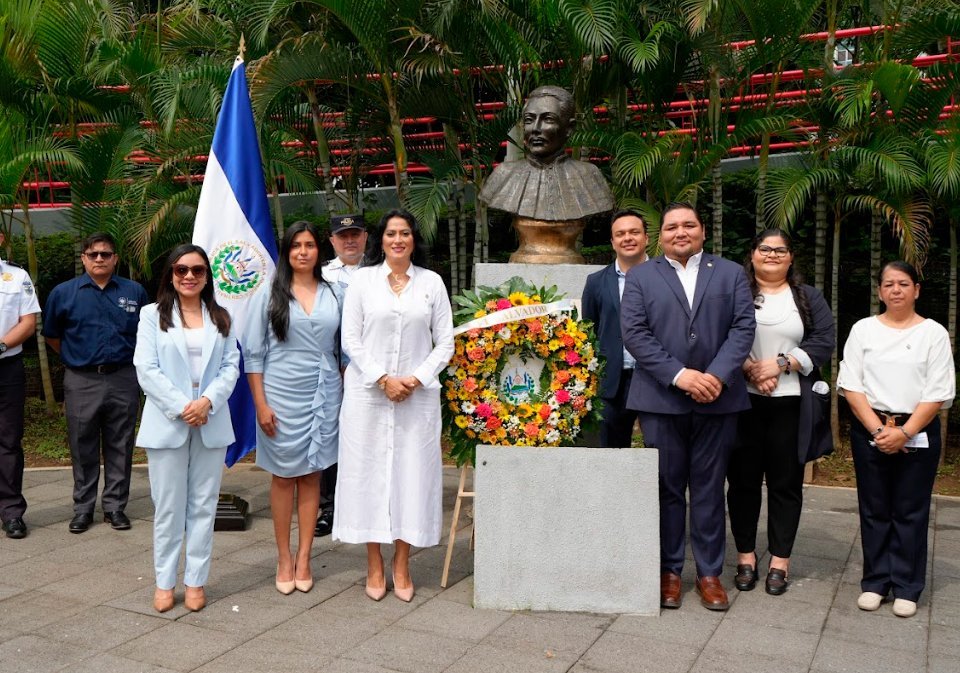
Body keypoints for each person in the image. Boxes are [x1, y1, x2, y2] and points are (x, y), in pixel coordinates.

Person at [621, 202, 755, 611]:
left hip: (719, 397)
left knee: (710, 488)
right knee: (666, 488)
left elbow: (743, 327)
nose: (681, 232)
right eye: (672, 227)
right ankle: (669, 571)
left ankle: (710, 573)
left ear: (702, 231)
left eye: (689, 225)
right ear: (660, 236)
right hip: (662, 399)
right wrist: (680, 375)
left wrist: (714, 375)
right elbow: (635, 332)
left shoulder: (730, 273)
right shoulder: (641, 275)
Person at [334, 209, 454, 602]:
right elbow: (351, 340)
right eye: (390, 234)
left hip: (416, 399)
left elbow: (446, 343)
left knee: (411, 476)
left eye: (404, 233)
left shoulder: (432, 283)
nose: (397, 240)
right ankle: (374, 563)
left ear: (413, 239)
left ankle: (402, 563)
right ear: (380, 241)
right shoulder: (363, 283)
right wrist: (383, 378)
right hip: (368, 395)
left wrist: (414, 379)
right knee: (368, 476)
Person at [838, 260, 955, 619]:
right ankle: (875, 582)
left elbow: (937, 391)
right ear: (880, 291)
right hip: (870, 428)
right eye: (888, 284)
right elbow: (852, 385)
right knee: (874, 509)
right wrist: (878, 431)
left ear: (917, 289)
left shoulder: (933, 333)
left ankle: (907, 585)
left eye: (903, 283)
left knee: (910, 510)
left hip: (916, 431)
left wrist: (904, 432)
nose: (896, 290)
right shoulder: (863, 330)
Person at [726, 229, 834, 596]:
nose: (772, 255)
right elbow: (715, 333)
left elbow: (824, 339)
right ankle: (745, 556)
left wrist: (781, 364)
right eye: (765, 249)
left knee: (786, 484)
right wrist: (747, 366)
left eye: (780, 250)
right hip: (742, 403)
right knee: (742, 483)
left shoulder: (805, 297)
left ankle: (780, 561)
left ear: (790, 258)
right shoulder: (734, 292)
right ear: (752, 255)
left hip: (791, 403)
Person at [133, 244, 240, 613]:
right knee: (168, 508)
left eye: (197, 270)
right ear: (171, 274)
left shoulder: (221, 316)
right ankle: (165, 581)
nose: (189, 276)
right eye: (181, 270)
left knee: (203, 506)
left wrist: (207, 401)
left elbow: (231, 368)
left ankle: (196, 580)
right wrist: (183, 407)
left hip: (210, 420)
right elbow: (146, 369)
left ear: (207, 276)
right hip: (168, 422)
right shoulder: (152, 315)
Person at [244, 221, 343, 594]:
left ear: (319, 251)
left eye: (310, 245)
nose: (303, 251)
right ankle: (283, 556)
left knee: (313, 475)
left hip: (325, 391)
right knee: (284, 476)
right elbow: (253, 357)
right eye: (296, 245)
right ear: (286, 252)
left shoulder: (336, 292)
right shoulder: (268, 294)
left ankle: (304, 557)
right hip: (280, 395)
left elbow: (345, 347)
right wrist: (261, 405)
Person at [43, 232, 149, 533]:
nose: (99, 259)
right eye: (93, 254)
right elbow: (52, 335)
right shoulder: (63, 293)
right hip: (82, 379)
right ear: (84, 258)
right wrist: (76, 358)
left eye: (105, 254)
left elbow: (147, 334)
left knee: (121, 443)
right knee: (82, 444)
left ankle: (115, 507)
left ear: (115, 258)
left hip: (123, 377)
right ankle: (83, 509)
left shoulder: (135, 292)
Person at [479, 85, 613, 221]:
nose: (536, 129)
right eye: (529, 120)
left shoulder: (589, 174)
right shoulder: (503, 174)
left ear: (569, 128)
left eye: (548, 119)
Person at [315, 213, 367, 538]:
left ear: (365, 237)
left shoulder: (381, 273)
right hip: (331, 371)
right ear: (332, 240)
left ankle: (365, 504)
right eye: (342, 235)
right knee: (330, 436)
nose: (349, 240)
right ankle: (329, 506)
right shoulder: (320, 275)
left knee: (366, 435)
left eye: (355, 234)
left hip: (368, 371)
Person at [581, 209, 649, 448]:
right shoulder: (596, 282)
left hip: (656, 380)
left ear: (646, 238)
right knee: (611, 453)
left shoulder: (666, 276)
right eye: (620, 234)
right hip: (612, 383)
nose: (627, 238)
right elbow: (590, 333)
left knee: (659, 451)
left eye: (634, 232)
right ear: (612, 241)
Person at [0, 231, 41, 540]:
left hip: (6, 367)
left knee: (8, 441)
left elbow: (28, 322)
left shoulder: (16, 276)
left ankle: (11, 511)